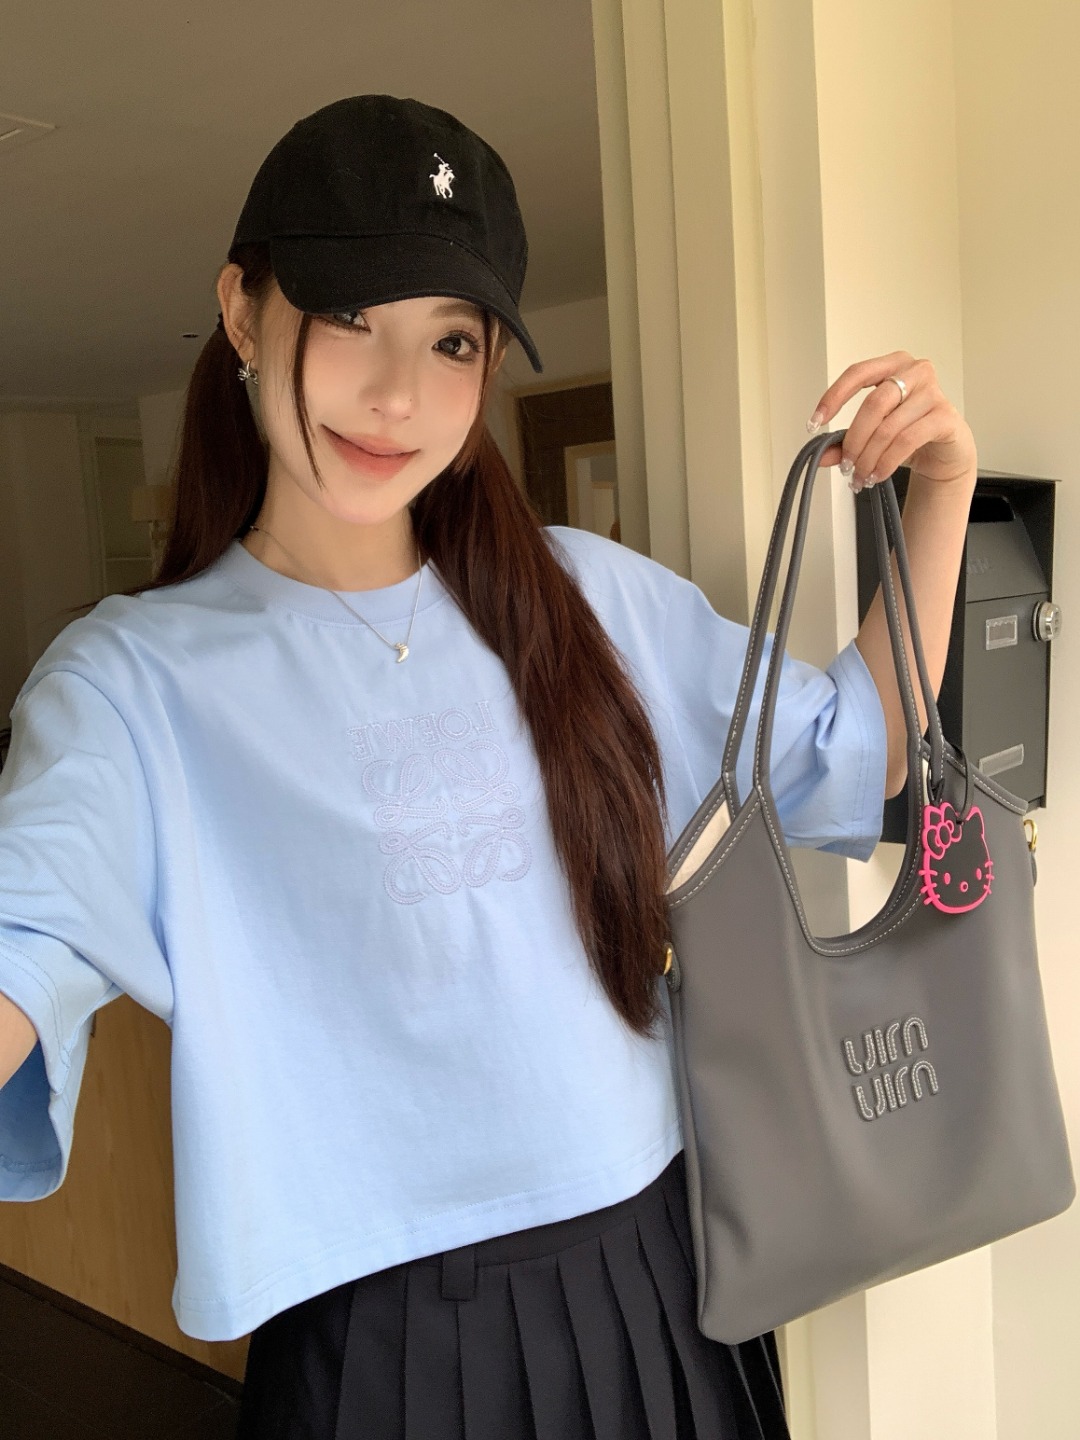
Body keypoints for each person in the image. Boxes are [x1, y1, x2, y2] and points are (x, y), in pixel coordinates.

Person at [0, 94, 977, 1439]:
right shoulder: (132, 685)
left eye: (451, 339)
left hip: (658, 1281)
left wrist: (942, 491)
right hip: (377, 1344)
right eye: (352, 315)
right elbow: (28, 931)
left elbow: (848, 752)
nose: (398, 394)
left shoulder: (589, 599)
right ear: (242, 312)